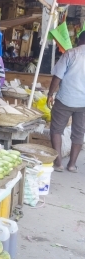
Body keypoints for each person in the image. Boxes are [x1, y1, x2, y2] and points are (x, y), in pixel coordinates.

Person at [47, 32, 85, 173]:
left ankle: (58, 164)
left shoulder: (70, 54)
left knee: (56, 130)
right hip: (83, 103)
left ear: (80, 39)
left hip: (65, 99)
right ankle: (72, 165)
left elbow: (57, 76)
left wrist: (50, 93)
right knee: (79, 133)